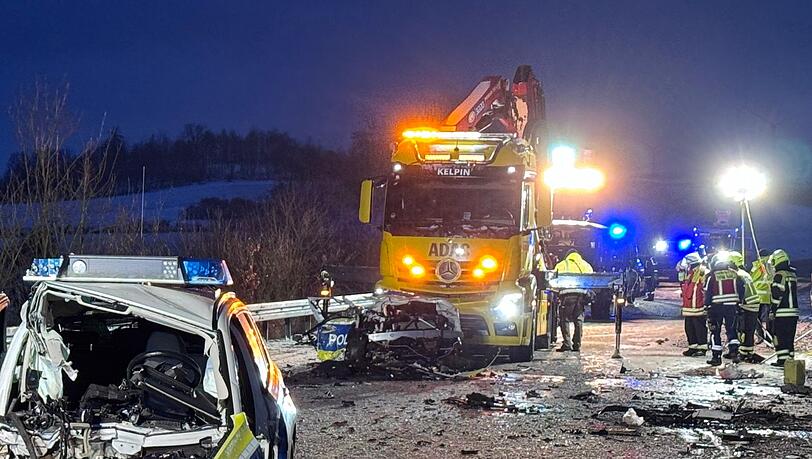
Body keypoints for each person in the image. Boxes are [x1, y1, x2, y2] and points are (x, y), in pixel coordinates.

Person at [704, 252, 745, 366]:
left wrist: (707, 306)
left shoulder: (712, 276)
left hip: (716, 307)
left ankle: (716, 357)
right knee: (732, 330)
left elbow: (708, 293)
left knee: (715, 331)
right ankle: (734, 353)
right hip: (732, 306)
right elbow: (742, 288)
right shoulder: (734, 274)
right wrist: (739, 302)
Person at [554, 250, 593, 352]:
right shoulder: (586, 265)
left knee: (564, 319)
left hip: (567, 295)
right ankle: (577, 344)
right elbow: (591, 281)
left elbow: (555, 280)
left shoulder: (561, 265)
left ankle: (567, 343)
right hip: (581, 295)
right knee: (579, 320)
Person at [729, 251, 764, 363]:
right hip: (753, 304)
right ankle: (748, 352)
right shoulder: (744, 273)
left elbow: (740, 291)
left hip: (746, 305)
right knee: (749, 330)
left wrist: (737, 305)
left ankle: (743, 353)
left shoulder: (737, 275)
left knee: (742, 330)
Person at [768, 249, 798, 368]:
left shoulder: (779, 275)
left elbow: (776, 294)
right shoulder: (792, 274)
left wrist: (772, 310)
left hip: (782, 312)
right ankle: (790, 359)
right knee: (789, 336)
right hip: (794, 312)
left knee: (779, 336)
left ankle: (782, 360)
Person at [680, 253, 708, 356]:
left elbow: (705, 289)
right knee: (689, 327)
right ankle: (693, 347)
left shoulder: (702, 271)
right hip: (689, 306)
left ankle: (702, 347)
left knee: (699, 327)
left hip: (698, 306)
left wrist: (706, 303)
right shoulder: (691, 273)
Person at [751, 249, 775, 324]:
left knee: (757, 318)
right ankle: (770, 334)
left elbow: (751, 277)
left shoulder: (756, 265)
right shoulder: (772, 265)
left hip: (758, 296)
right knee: (770, 318)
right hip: (769, 295)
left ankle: (760, 334)